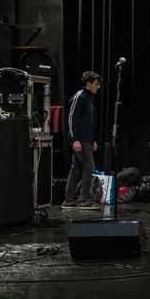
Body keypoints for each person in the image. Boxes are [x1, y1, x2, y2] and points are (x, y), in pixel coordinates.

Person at [63, 70, 102, 208]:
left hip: (86, 139)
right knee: (89, 167)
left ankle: (69, 199)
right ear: (88, 83)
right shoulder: (79, 97)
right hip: (80, 139)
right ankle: (84, 198)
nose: (98, 87)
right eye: (96, 84)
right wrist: (75, 139)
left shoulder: (89, 99)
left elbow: (89, 122)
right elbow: (72, 119)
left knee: (76, 168)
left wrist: (92, 140)